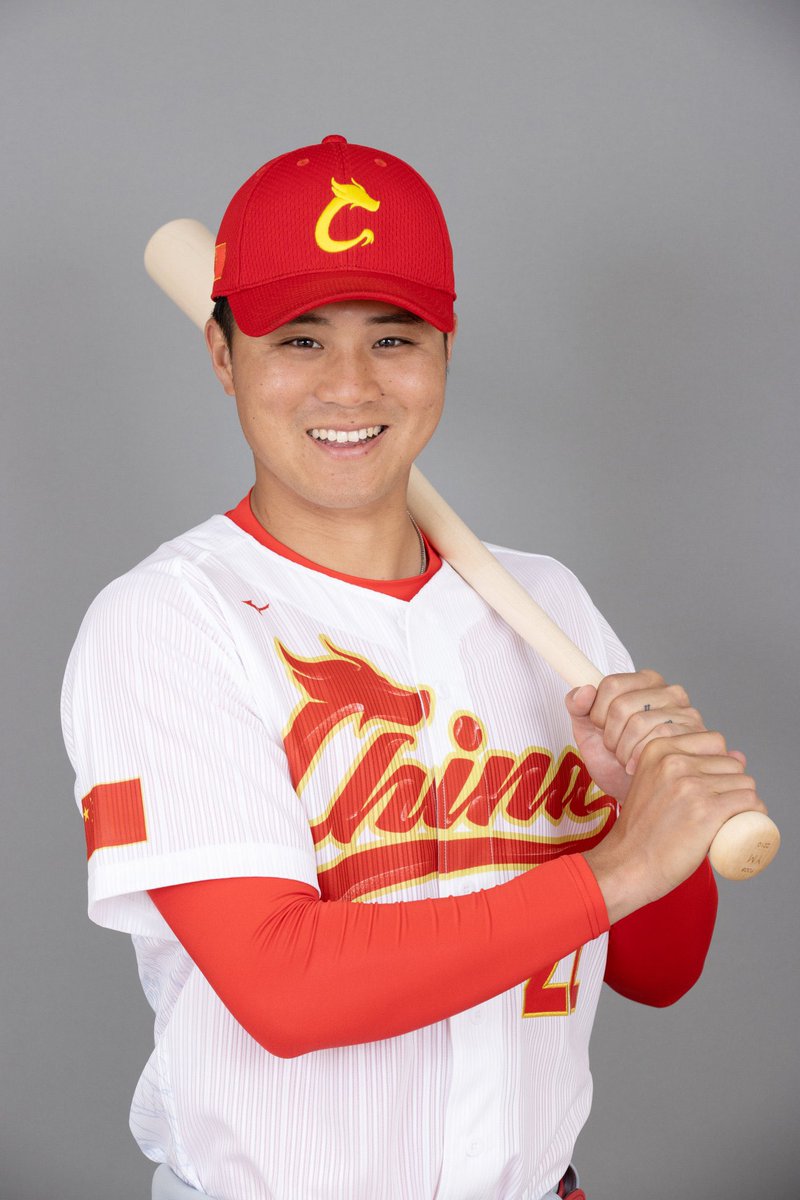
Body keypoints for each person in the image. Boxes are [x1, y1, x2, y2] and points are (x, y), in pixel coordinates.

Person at [61, 135, 764, 1200]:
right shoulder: (167, 620)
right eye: (298, 339)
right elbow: (287, 990)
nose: (349, 386)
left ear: (443, 351)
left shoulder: (546, 603)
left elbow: (656, 972)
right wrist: (617, 869)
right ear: (223, 355)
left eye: (392, 338)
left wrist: (643, 805)